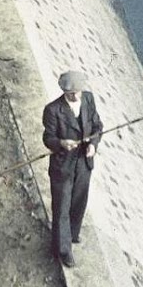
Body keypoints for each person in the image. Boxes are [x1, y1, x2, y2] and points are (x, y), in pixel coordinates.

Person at [42, 69, 102, 268]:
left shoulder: (88, 100)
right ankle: (62, 250)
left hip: (83, 163)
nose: (75, 96)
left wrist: (93, 144)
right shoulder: (52, 110)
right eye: (71, 93)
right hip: (63, 165)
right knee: (62, 207)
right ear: (64, 92)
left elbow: (97, 126)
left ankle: (73, 234)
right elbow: (48, 138)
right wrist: (61, 143)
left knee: (78, 201)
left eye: (77, 92)